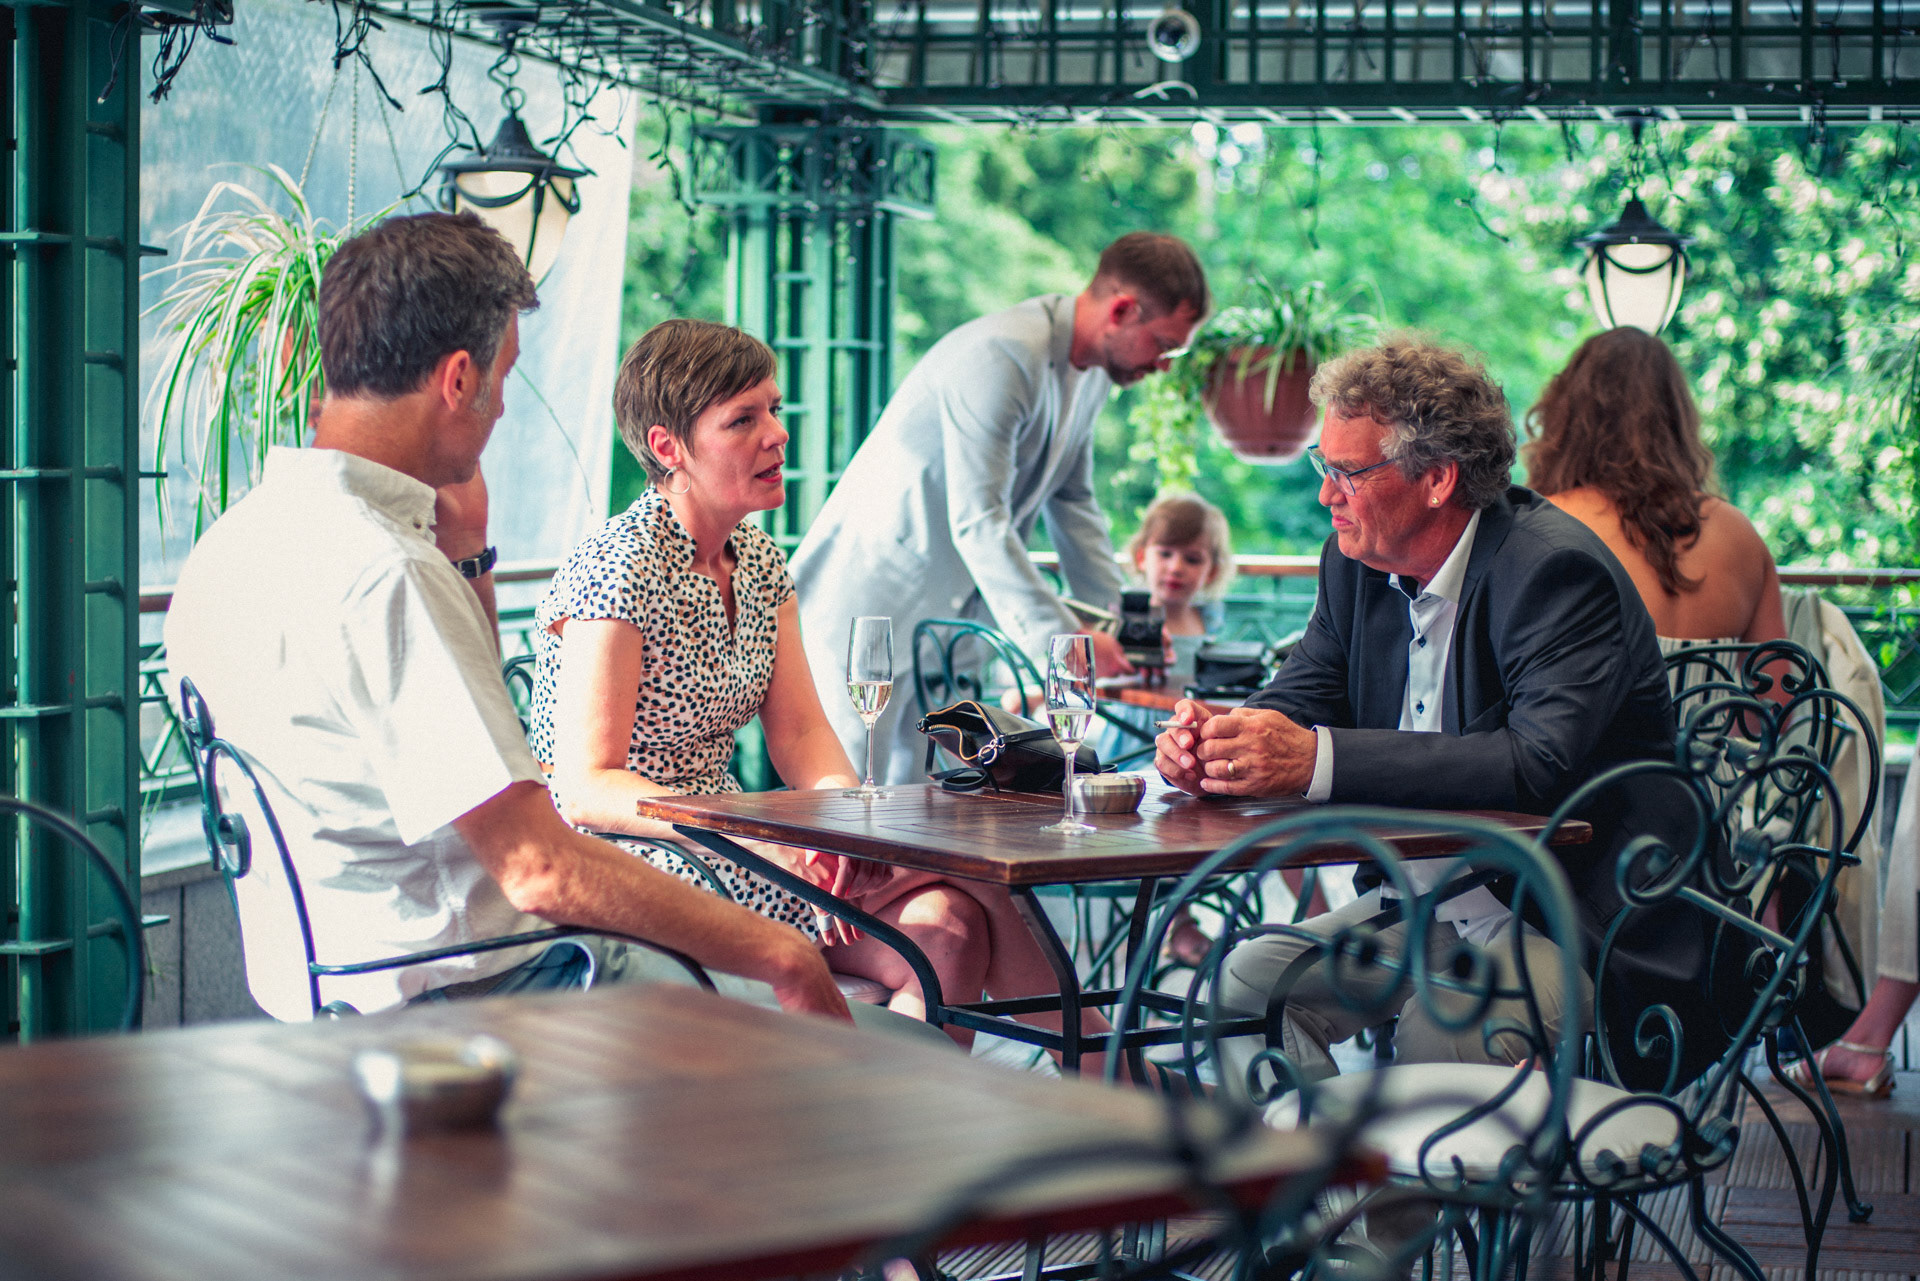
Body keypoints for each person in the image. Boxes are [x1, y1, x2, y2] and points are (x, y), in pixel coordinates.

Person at [164, 212, 850, 1024]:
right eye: (505, 375)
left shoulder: (228, 550)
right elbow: (538, 867)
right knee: (861, 1049)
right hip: (488, 995)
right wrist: (782, 952)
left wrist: (469, 552)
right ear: (459, 379)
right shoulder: (388, 572)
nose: (501, 412)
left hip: (326, 990)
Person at [530, 317, 1123, 1056]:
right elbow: (585, 788)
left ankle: (892, 1116)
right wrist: (755, 835)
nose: (778, 434)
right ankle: (1115, 1073)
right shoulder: (620, 565)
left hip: (733, 837)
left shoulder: (758, 559)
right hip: (640, 855)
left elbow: (803, 733)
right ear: (668, 447)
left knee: (949, 924)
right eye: (743, 420)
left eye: (774, 409)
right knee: (970, 882)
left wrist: (841, 828)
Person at [1153, 335, 1683, 1094]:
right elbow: (1302, 693)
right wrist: (1220, 743)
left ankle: (1367, 1176)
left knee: (1443, 1031)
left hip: (1572, 915)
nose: (1326, 496)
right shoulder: (1356, 563)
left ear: (1436, 479)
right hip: (1431, 904)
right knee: (1242, 989)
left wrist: (1314, 759)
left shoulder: (1552, 570)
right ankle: (1321, 1172)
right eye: (1323, 467)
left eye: (1347, 473)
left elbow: (1537, 763)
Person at [1529, 326, 1914, 1098]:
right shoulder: (1737, 535)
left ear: (1567, 414)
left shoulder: (1543, 529)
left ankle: (1536, 1061)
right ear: (1678, 420)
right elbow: (1774, 710)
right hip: (1711, 845)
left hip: (1584, 832)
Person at [791, 233, 1209, 784]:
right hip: (870, 605)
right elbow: (979, 522)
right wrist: (1068, 650)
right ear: (1122, 311)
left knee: (931, 800)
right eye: (1165, 345)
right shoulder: (1003, 353)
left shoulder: (1090, 379)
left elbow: (1073, 503)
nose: (1163, 365)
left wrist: (1122, 624)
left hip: (954, 622)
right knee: (846, 796)